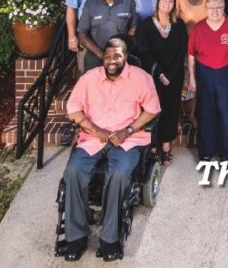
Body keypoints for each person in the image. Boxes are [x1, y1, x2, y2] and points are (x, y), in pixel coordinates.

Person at [62, 39, 160, 262]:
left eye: (117, 56)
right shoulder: (89, 79)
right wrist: (95, 128)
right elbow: (73, 110)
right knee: (73, 171)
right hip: (92, 139)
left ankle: (109, 238)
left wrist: (127, 130)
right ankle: (76, 237)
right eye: (107, 57)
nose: (111, 61)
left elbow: (152, 110)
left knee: (118, 175)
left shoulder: (141, 79)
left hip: (127, 140)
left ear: (125, 57)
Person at [187, 0, 228, 162]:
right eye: (211, 7)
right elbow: (191, 55)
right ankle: (206, 151)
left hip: (227, 73)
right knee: (206, 114)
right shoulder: (198, 28)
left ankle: (227, 153)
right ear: (206, 9)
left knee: (227, 114)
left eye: (219, 7)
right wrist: (192, 78)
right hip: (204, 74)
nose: (215, 11)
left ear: (224, 8)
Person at [134, 0, 187, 164]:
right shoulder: (146, 25)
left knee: (171, 110)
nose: (167, 4)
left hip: (174, 75)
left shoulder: (178, 25)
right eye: (164, 0)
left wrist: (170, 74)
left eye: (171, 1)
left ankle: (166, 145)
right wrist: (159, 72)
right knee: (154, 110)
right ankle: (154, 145)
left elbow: (181, 51)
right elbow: (143, 50)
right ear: (158, 3)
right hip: (152, 76)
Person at [77, 0, 138, 72]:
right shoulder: (91, 3)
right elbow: (82, 35)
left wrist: (123, 50)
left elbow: (133, 27)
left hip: (120, 58)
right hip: (95, 57)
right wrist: (101, 54)